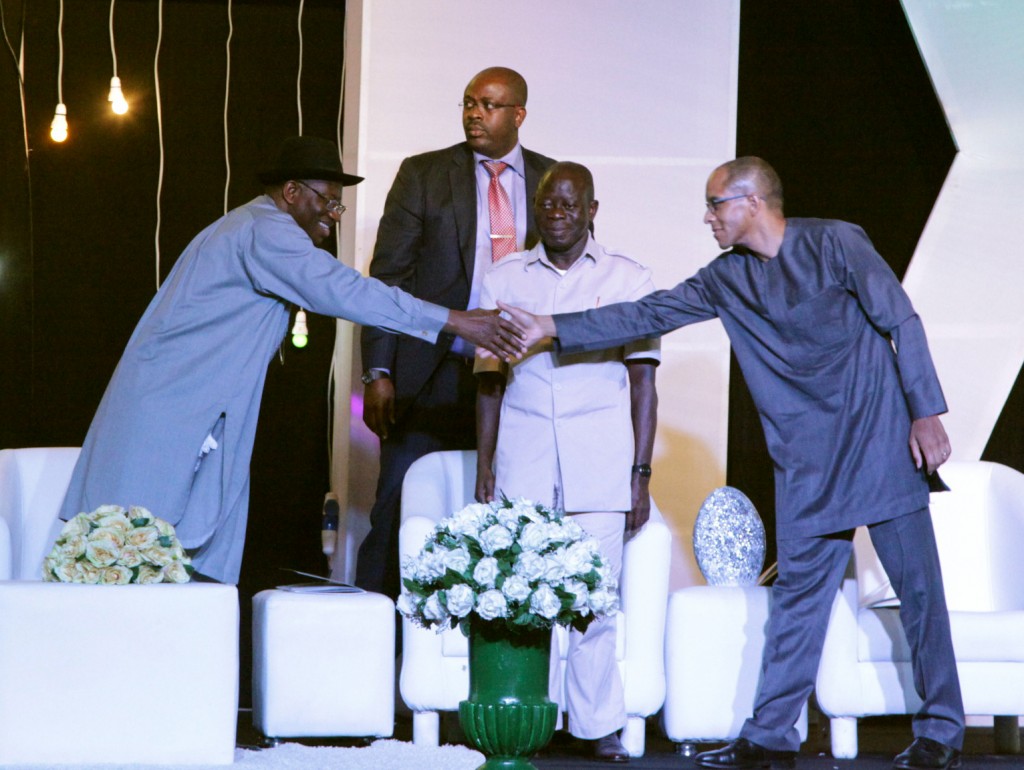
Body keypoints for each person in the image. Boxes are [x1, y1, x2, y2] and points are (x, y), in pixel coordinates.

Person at [498, 157, 965, 770]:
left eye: (715, 203)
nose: (707, 216)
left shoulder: (835, 242)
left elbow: (899, 317)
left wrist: (926, 411)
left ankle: (942, 732)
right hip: (807, 459)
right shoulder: (727, 279)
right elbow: (647, 313)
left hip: (878, 441)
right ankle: (772, 735)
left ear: (751, 202)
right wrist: (551, 326)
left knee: (920, 593)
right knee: (797, 602)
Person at [58, 135, 525, 586]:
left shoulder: (247, 224)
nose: (333, 215)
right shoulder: (268, 230)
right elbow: (347, 291)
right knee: (133, 553)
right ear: (291, 192)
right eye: (327, 201)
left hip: (188, 403)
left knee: (171, 554)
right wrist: (456, 320)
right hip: (172, 409)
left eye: (338, 205)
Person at [474, 162, 658, 763]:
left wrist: (640, 474)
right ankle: (529, 718)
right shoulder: (503, 278)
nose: (557, 214)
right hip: (523, 459)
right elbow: (488, 380)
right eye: (549, 204)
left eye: (570, 205)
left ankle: (597, 726)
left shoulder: (629, 278)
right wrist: (485, 466)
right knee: (521, 598)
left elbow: (644, 385)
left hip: (601, 463)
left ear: (591, 211)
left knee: (593, 601)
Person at [355, 66, 556, 598]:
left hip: (520, 381)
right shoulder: (423, 174)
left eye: (489, 105)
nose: (474, 113)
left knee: (507, 519)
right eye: (469, 102)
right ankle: (378, 643)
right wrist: (377, 370)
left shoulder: (551, 179)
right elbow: (388, 279)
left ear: (519, 115)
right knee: (398, 512)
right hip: (433, 373)